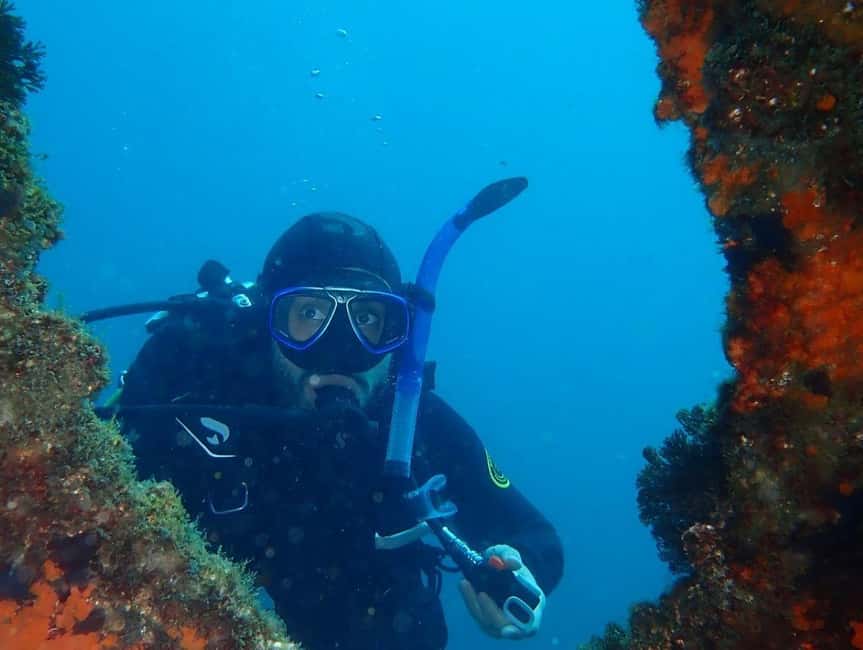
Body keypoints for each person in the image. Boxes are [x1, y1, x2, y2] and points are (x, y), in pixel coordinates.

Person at [110, 212, 564, 650]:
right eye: (309, 312)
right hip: (184, 576)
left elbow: (535, 537)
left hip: (343, 588)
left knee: (404, 631)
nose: (340, 349)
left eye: (368, 319)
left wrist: (517, 570)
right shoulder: (197, 377)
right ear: (270, 320)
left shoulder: (406, 417)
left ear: (397, 334)